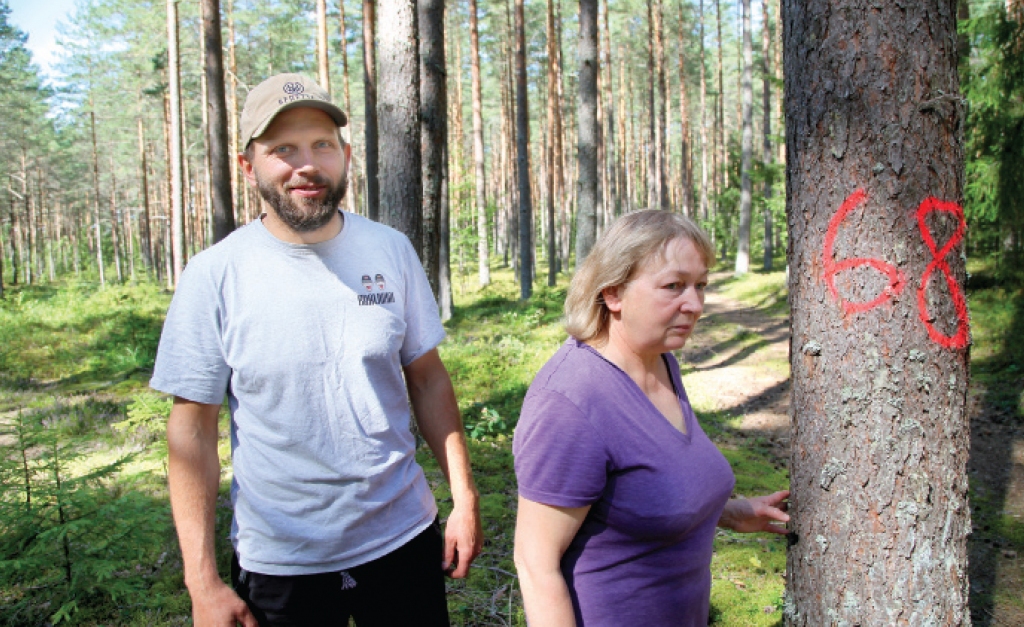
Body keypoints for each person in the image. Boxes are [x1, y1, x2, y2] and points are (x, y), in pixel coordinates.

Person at [151, 73, 482, 627]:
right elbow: (192, 430)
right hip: (282, 560)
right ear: (248, 164)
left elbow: (427, 378)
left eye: (321, 145)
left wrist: (465, 497)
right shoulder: (215, 275)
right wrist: (201, 580)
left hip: (402, 536)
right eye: (283, 149)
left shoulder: (390, 250)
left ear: (345, 155)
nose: (306, 164)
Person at [512, 210, 789, 627]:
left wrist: (729, 512)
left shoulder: (660, 362)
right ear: (613, 293)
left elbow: (646, 494)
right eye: (673, 286)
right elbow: (535, 564)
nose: (694, 304)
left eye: (701, 286)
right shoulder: (571, 401)